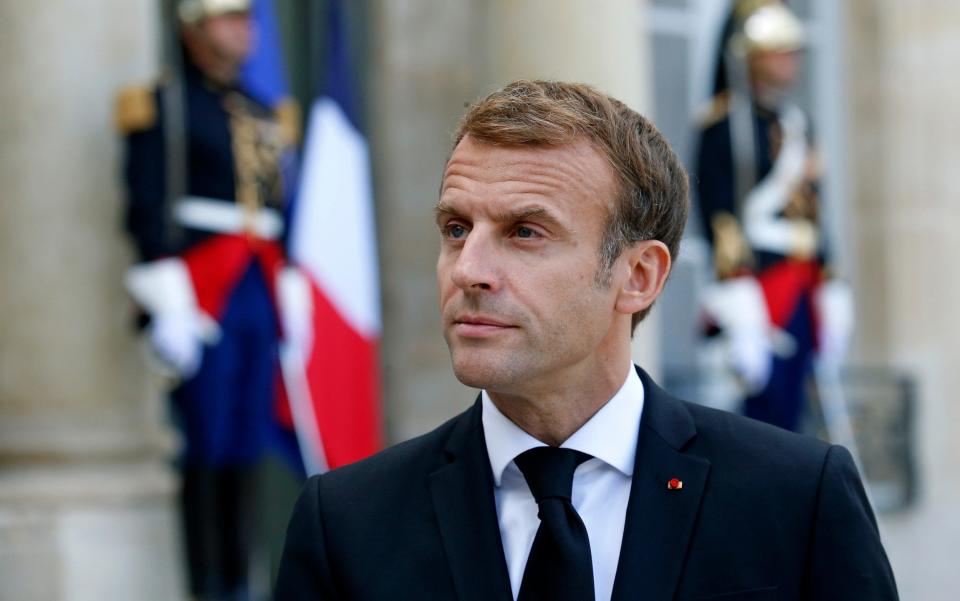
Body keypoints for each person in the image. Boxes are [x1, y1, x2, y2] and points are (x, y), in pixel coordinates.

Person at [274, 80, 897, 600]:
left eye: (525, 232)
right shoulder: (347, 522)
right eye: (457, 228)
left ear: (638, 276)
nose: (468, 269)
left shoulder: (795, 497)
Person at [115, 0, 299, 598]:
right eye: (228, 19)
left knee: (246, 436)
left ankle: (240, 579)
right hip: (201, 287)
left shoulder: (260, 109)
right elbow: (145, 205)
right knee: (207, 440)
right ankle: (207, 585)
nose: (244, 31)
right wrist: (165, 300)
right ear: (193, 29)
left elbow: (275, 206)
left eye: (246, 20)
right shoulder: (163, 106)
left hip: (256, 282)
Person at [694, 0, 853, 431]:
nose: (789, 62)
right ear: (752, 58)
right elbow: (719, 212)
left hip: (800, 280)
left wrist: (831, 276)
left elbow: (814, 210)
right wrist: (735, 282)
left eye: (791, 52)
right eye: (778, 52)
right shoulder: (723, 123)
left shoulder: (798, 124)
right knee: (755, 406)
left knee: (796, 404)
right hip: (757, 282)